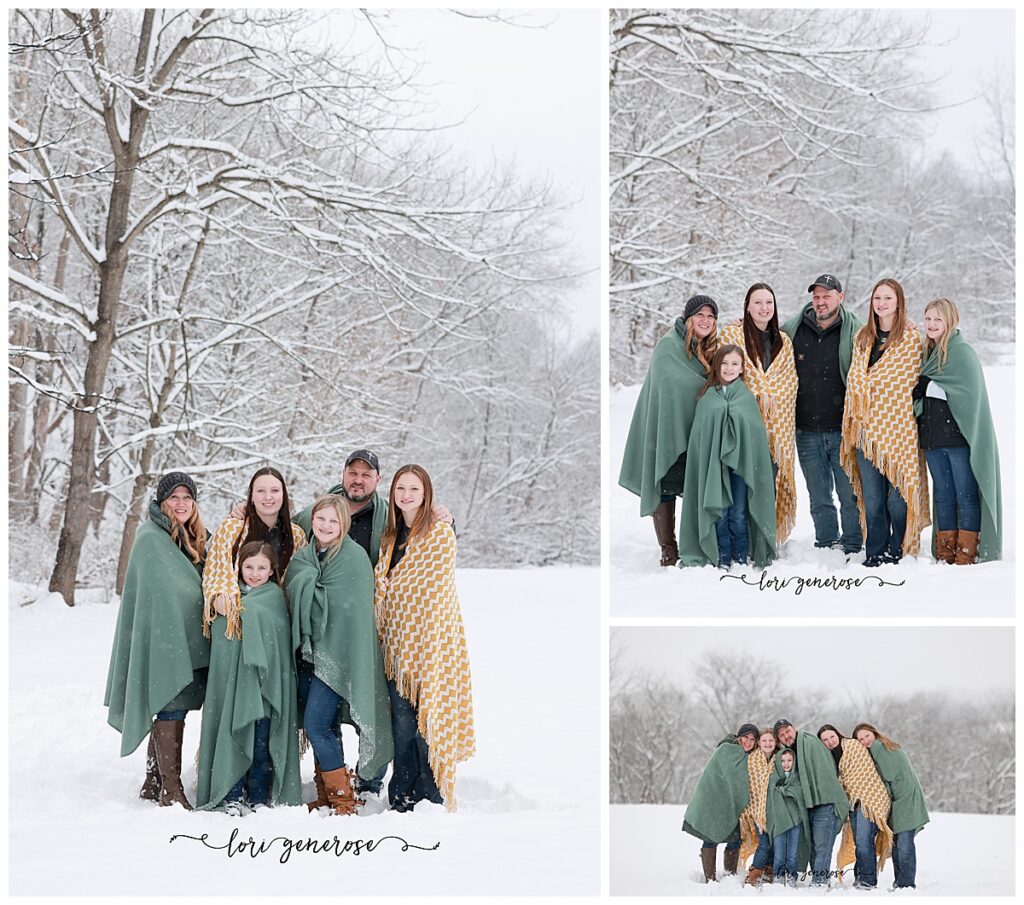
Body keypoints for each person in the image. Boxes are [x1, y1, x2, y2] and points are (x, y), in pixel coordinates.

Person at [104, 472, 210, 809]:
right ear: (162, 501)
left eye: (187, 498)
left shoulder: (194, 536)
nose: (181, 504)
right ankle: (171, 789)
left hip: (184, 637)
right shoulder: (151, 537)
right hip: (164, 638)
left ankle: (153, 779)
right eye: (174, 498)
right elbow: (161, 591)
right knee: (170, 704)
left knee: (173, 705)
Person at [374, 464, 475, 811]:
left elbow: (433, 589)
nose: (406, 495)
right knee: (401, 727)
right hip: (396, 648)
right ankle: (401, 796)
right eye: (400, 488)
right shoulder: (389, 539)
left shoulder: (439, 535)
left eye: (414, 489)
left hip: (432, 645)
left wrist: (392, 589)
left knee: (428, 725)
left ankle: (430, 795)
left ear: (426, 494)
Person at [287, 495, 393, 815]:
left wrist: (318, 598)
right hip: (306, 655)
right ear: (312, 519)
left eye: (334, 521)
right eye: (321, 518)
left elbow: (353, 611)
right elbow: (292, 595)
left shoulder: (354, 558)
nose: (326, 525)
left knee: (315, 724)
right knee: (327, 726)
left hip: (339, 655)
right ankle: (325, 793)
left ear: (343, 525)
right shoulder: (303, 558)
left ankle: (343, 798)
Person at [196, 542, 301, 813]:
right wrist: (221, 605)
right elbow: (222, 639)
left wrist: (243, 613)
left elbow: (276, 641)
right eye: (249, 566)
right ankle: (231, 795)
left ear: (271, 570)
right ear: (239, 567)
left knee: (261, 744)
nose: (255, 573)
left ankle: (258, 796)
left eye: (262, 567)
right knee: (233, 735)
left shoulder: (275, 597)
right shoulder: (226, 597)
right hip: (234, 684)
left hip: (263, 685)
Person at [619, 294, 719, 566]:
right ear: (688, 319)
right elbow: (669, 384)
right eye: (700, 315)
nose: (705, 321)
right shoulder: (668, 346)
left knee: (697, 485)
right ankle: (668, 549)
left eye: (711, 317)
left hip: (696, 431)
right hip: (668, 427)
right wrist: (705, 387)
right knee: (665, 484)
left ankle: (695, 543)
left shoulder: (711, 348)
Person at [840, 278, 930, 566]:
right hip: (866, 431)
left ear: (899, 302)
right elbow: (857, 379)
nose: (881, 303)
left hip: (900, 430)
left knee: (898, 498)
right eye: (877, 298)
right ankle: (875, 551)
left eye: (887, 298)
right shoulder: (862, 338)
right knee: (874, 499)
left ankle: (898, 547)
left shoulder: (912, 340)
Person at [914, 298, 1002, 564]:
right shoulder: (924, 352)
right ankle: (945, 552)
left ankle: (966, 553)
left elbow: (966, 393)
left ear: (950, 321)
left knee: (965, 495)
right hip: (932, 439)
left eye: (937, 319)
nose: (931, 324)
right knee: (943, 496)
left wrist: (926, 386)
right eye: (928, 319)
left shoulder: (961, 352)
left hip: (958, 438)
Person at [781, 274, 864, 556]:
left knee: (849, 493)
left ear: (840, 298)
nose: (820, 302)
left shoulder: (855, 331)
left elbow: (885, 342)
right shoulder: (793, 330)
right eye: (816, 296)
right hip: (806, 430)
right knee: (819, 496)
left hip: (842, 428)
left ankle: (853, 544)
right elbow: (762, 339)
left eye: (827, 296)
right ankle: (827, 544)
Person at [678, 344, 776, 569]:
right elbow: (700, 437)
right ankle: (723, 556)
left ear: (742, 368)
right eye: (724, 363)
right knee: (720, 513)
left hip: (740, 466)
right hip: (714, 466)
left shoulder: (746, 398)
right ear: (716, 365)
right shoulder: (707, 398)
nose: (729, 368)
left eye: (734, 364)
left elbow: (754, 434)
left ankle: (740, 556)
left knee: (739, 513)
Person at [719, 283, 799, 546]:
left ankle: (766, 540)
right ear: (747, 306)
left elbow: (790, 382)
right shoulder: (733, 334)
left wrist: (769, 396)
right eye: (758, 302)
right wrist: (756, 397)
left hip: (777, 429)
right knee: (743, 488)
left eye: (769, 303)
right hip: (743, 427)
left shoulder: (783, 341)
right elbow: (723, 375)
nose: (764, 308)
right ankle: (743, 542)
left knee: (768, 486)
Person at [204, 466, 307, 638]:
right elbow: (216, 574)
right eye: (260, 491)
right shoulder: (231, 529)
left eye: (274, 490)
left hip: (276, 624)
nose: (268, 497)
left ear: (283, 495)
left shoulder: (297, 537)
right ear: (251, 496)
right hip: (235, 623)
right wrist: (225, 602)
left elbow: (297, 582)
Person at [774, 719, 850, 887]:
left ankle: (820, 882)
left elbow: (824, 770)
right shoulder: (787, 753)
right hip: (807, 805)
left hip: (824, 801)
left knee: (823, 844)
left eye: (787, 731)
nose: (786, 736)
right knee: (812, 845)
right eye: (782, 735)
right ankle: (821, 878)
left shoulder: (809, 741)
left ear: (794, 728)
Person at [854, 723, 929, 889]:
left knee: (904, 844)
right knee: (896, 845)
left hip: (907, 800)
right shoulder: (876, 752)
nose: (865, 740)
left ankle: (907, 884)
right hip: (896, 803)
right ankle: (900, 882)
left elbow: (889, 777)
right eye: (860, 739)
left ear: (873, 733)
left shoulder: (886, 750)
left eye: (866, 736)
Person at [818, 724, 892, 889]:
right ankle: (861, 876)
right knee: (861, 840)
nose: (829, 741)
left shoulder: (853, 745)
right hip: (853, 802)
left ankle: (867, 881)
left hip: (870, 798)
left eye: (831, 736)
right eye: (825, 740)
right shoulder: (830, 757)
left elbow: (862, 771)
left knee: (864, 839)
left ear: (837, 734)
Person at [682, 723, 758, 883]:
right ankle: (710, 878)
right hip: (714, 802)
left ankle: (730, 876)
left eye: (752, 739)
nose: (749, 742)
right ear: (739, 737)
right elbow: (712, 776)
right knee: (711, 837)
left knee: (735, 839)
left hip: (735, 807)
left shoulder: (752, 758)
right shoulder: (725, 751)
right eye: (746, 737)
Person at [740, 728, 778, 885]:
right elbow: (751, 785)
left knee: (774, 842)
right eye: (764, 741)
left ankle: (768, 872)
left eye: (770, 740)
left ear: (775, 742)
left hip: (775, 809)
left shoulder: (780, 758)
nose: (767, 744)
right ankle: (754, 875)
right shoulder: (752, 760)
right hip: (757, 810)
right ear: (759, 743)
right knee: (765, 842)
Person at [767, 747, 809, 888]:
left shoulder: (797, 777)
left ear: (794, 761)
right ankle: (778, 877)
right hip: (779, 822)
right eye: (783, 760)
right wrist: (780, 791)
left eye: (789, 760)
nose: (786, 763)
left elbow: (800, 794)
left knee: (792, 853)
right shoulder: (773, 777)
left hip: (795, 821)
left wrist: (785, 790)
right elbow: (771, 799)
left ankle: (792, 876)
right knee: (779, 853)